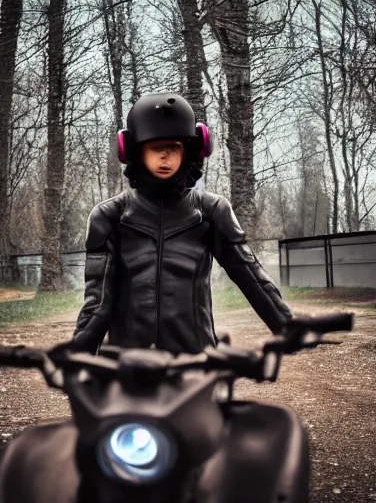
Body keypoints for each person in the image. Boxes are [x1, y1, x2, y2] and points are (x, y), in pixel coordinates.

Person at [71, 92, 293, 355]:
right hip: (129, 365)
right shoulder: (109, 216)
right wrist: (78, 355)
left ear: (189, 150)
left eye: (174, 147)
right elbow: (98, 302)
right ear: (132, 150)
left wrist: (287, 326)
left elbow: (251, 278)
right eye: (156, 148)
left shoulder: (211, 211)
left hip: (197, 362)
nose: (165, 157)